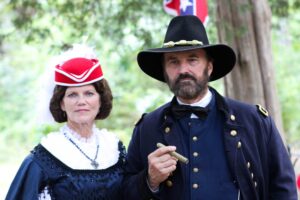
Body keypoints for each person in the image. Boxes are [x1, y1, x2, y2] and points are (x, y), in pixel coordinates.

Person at [123, 15, 297, 200]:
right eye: (173, 61)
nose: (183, 70)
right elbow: (124, 192)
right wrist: (149, 180)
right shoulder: (147, 128)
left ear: (210, 67)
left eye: (193, 60)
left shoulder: (254, 120)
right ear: (164, 70)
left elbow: (283, 188)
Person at [6, 44, 126, 200]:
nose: (81, 101)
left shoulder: (114, 149)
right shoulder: (46, 157)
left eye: (89, 93)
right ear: (61, 103)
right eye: (72, 95)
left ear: (101, 100)